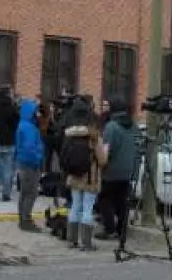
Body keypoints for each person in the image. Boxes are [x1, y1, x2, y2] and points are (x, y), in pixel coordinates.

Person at [61, 97, 108, 250]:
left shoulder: (69, 135)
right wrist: (105, 151)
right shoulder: (94, 137)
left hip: (74, 176)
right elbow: (102, 160)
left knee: (75, 206)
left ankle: (72, 240)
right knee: (87, 208)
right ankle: (86, 243)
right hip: (90, 178)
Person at [95, 94, 138, 241]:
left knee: (104, 199)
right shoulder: (134, 126)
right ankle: (122, 230)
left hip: (112, 170)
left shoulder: (112, 126)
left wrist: (102, 164)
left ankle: (109, 229)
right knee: (122, 202)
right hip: (128, 170)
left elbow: (107, 150)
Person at [14, 99, 45, 232]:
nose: (38, 114)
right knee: (31, 192)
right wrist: (38, 159)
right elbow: (29, 148)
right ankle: (26, 220)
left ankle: (23, 219)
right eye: (36, 111)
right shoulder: (29, 128)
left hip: (23, 162)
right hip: (30, 164)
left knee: (24, 192)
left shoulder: (23, 125)